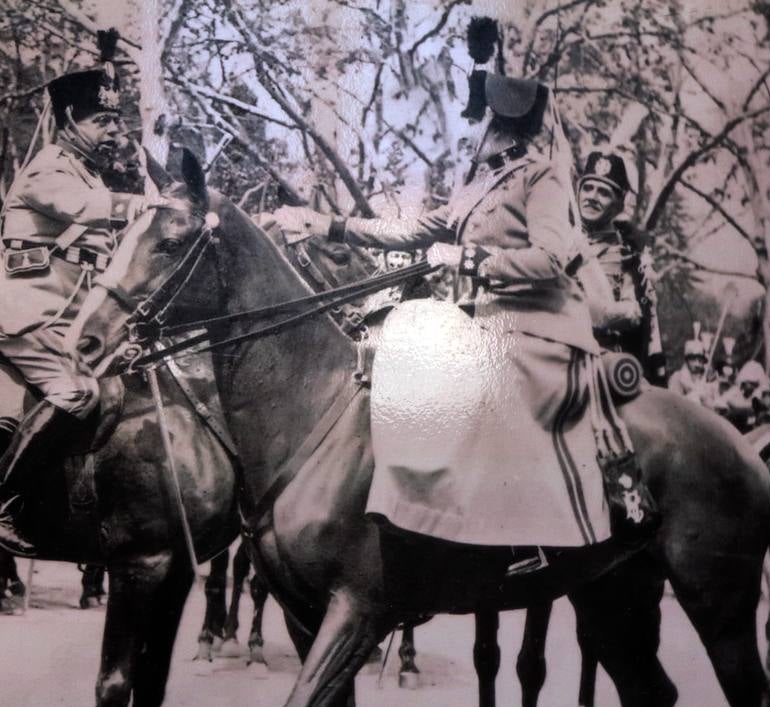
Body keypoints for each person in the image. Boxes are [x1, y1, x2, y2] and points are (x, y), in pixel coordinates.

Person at [277, 67, 656, 549]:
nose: (470, 136)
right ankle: (414, 504)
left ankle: (514, 536)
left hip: (539, 329)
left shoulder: (543, 176)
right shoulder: (477, 187)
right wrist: (323, 224)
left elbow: (551, 257)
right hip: (488, 324)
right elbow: (406, 230)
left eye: (477, 124)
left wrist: (471, 258)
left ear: (495, 127)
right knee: (406, 329)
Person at [0, 29, 146, 554]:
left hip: (66, 323)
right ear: (68, 122)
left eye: (117, 121)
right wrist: (151, 208)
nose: (115, 132)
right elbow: (93, 212)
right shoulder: (46, 169)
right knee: (77, 394)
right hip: (25, 317)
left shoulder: (90, 176)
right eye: (102, 121)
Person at [577, 149, 667, 385]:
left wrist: (587, 309)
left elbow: (633, 313)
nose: (592, 197)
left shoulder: (628, 254)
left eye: (604, 192)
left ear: (618, 203)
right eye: (587, 188)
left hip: (600, 356)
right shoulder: (560, 239)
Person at [714, 360, 770, 433]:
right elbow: (719, 403)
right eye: (750, 383)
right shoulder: (736, 390)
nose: (752, 387)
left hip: (750, 427)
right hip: (734, 426)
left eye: (755, 384)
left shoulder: (759, 393)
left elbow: (762, 406)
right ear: (743, 382)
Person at [667, 338, 718, 407]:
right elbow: (675, 404)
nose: (697, 364)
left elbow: (713, 405)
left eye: (700, 360)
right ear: (687, 360)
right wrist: (694, 395)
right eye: (693, 359)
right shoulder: (677, 377)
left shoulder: (706, 379)